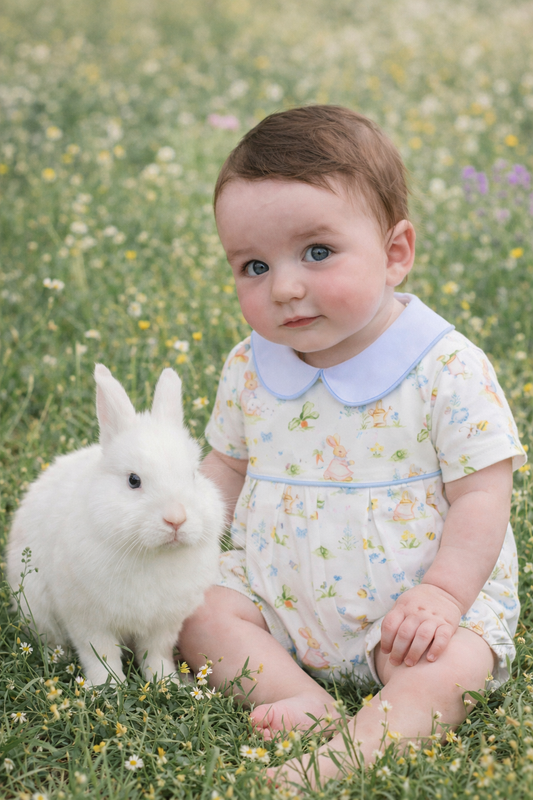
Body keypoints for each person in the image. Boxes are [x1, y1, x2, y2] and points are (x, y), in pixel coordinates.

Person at [179, 105, 526, 785]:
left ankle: (357, 746)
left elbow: (482, 492)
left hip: (407, 612)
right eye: (252, 265)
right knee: (196, 609)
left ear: (395, 254)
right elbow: (225, 463)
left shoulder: (443, 366)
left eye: (316, 252)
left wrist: (443, 597)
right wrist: (183, 529)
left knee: (452, 665)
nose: (284, 287)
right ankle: (295, 695)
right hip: (278, 591)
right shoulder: (250, 365)